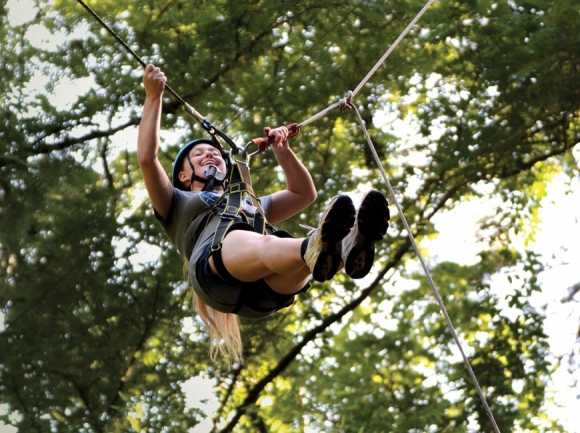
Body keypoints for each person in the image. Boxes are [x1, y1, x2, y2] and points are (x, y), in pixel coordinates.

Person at [137, 64, 390, 363]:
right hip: (215, 273)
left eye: (215, 152)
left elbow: (303, 194)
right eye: (199, 154)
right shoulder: (175, 204)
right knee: (272, 243)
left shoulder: (249, 202)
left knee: (298, 258)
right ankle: (319, 245)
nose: (211, 154)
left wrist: (283, 150)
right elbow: (147, 158)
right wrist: (153, 97)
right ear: (183, 175)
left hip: (266, 290)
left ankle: (344, 248)